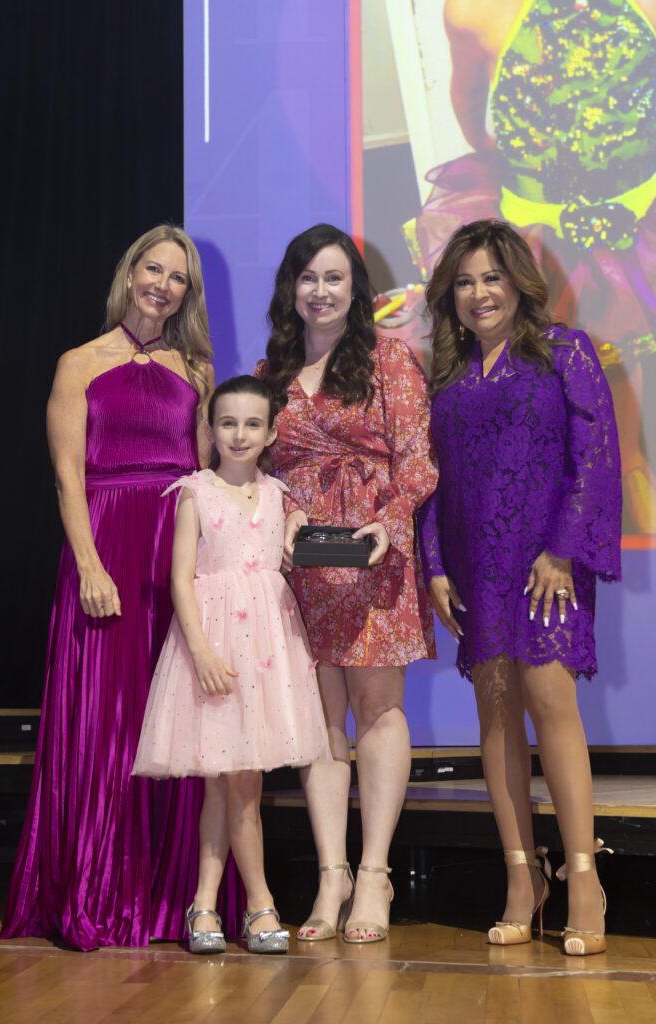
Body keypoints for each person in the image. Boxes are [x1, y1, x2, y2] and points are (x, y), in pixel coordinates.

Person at [0, 225, 242, 950]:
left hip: (173, 553)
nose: (161, 284)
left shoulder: (197, 371)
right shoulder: (77, 363)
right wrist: (89, 563)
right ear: (129, 274)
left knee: (175, 723)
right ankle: (98, 890)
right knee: (104, 721)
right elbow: (67, 474)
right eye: (152, 268)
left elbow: (205, 478)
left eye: (176, 277)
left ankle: (176, 901)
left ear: (186, 294)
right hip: (104, 548)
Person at [418, 219, 621, 956]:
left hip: (545, 565)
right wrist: (435, 565)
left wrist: (562, 552)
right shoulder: (445, 374)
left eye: (491, 277)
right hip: (476, 567)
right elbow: (431, 485)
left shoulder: (562, 350)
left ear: (517, 282)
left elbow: (594, 454)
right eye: (465, 281)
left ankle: (582, 878)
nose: (478, 293)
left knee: (549, 704)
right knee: (496, 718)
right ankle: (519, 880)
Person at [256, 223, 437, 944]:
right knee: (319, 722)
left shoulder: (388, 358)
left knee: (378, 710)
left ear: (354, 290)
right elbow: (261, 467)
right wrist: (285, 509)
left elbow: (419, 460)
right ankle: (330, 875)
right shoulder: (271, 372)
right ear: (290, 289)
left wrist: (391, 520)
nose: (320, 291)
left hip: (373, 556)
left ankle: (374, 874)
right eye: (307, 278)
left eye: (334, 278)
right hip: (300, 568)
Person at [412, 0, 656, 533]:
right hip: (538, 252)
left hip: (643, 241)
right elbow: (477, 125)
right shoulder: (473, 12)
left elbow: (476, 121)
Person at [132, 375, 331, 954]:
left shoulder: (279, 496)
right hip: (214, 650)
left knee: (233, 784)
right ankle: (259, 905)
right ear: (210, 429)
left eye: (252, 424)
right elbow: (180, 578)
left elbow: (289, 550)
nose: (239, 434)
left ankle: (205, 906)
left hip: (266, 655)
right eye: (227, 423)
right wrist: (199, 651)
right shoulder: (195, 491)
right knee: (232, 785)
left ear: (271, 432)